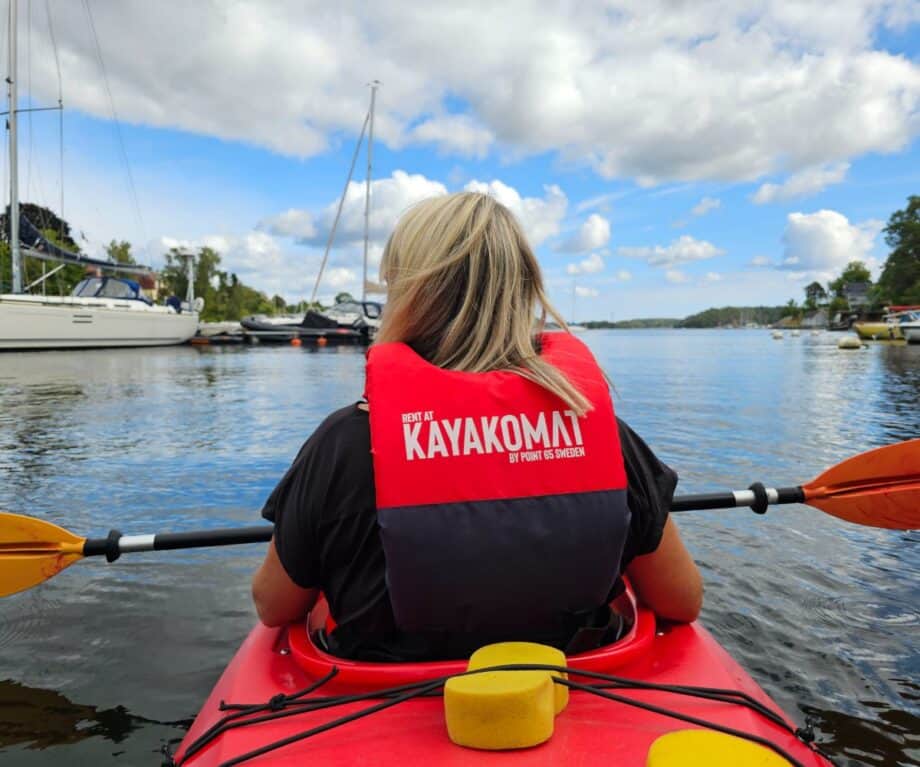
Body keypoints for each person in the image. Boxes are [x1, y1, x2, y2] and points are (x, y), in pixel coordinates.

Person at [253, 192, 702, 661]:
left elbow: (274, 604)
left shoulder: (341, 446)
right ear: (522, 290)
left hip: (380, 700)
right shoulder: (598, 430)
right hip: (567, 691)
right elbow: (681, 599)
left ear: (408, 296)